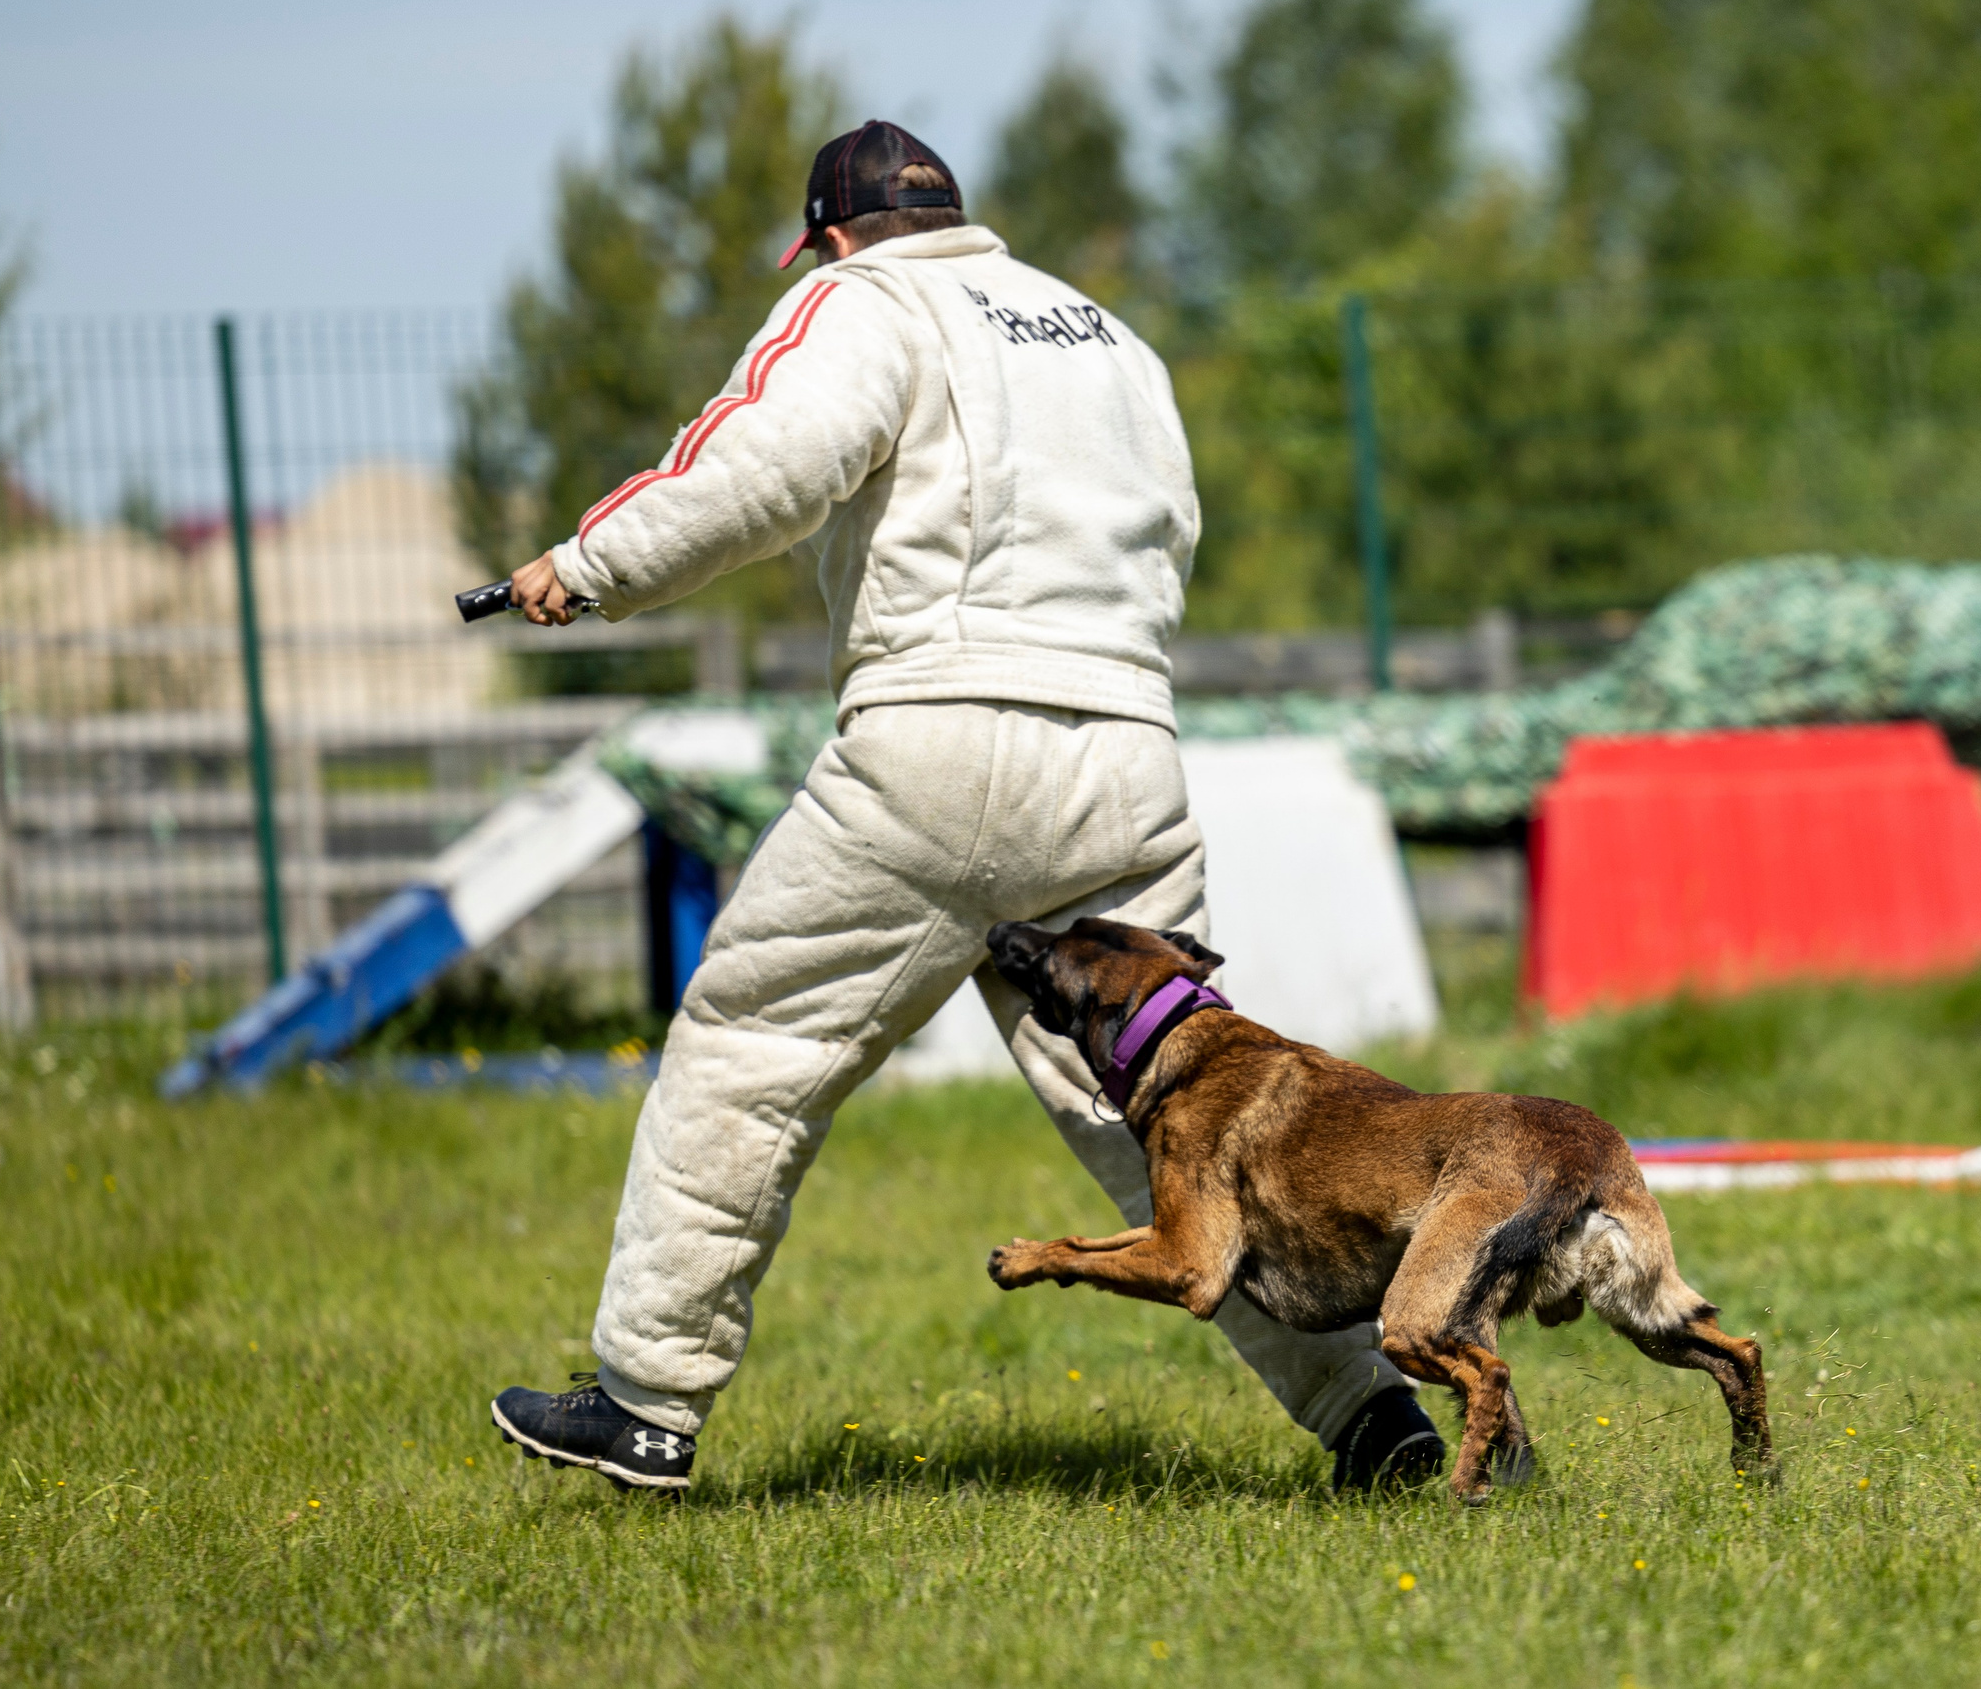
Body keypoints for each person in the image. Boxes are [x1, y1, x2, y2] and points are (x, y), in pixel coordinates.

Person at [487, 121, 1441, 1494]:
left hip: (937, 741)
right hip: (1126, 752)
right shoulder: (1108, 337)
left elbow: (757, 464)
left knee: (752, 1048)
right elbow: (1171, 529)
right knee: (1186, 1117)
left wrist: (590, 566)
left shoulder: (860, 302)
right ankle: (1379, 1420)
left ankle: (647, 1403)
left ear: (829, 238)